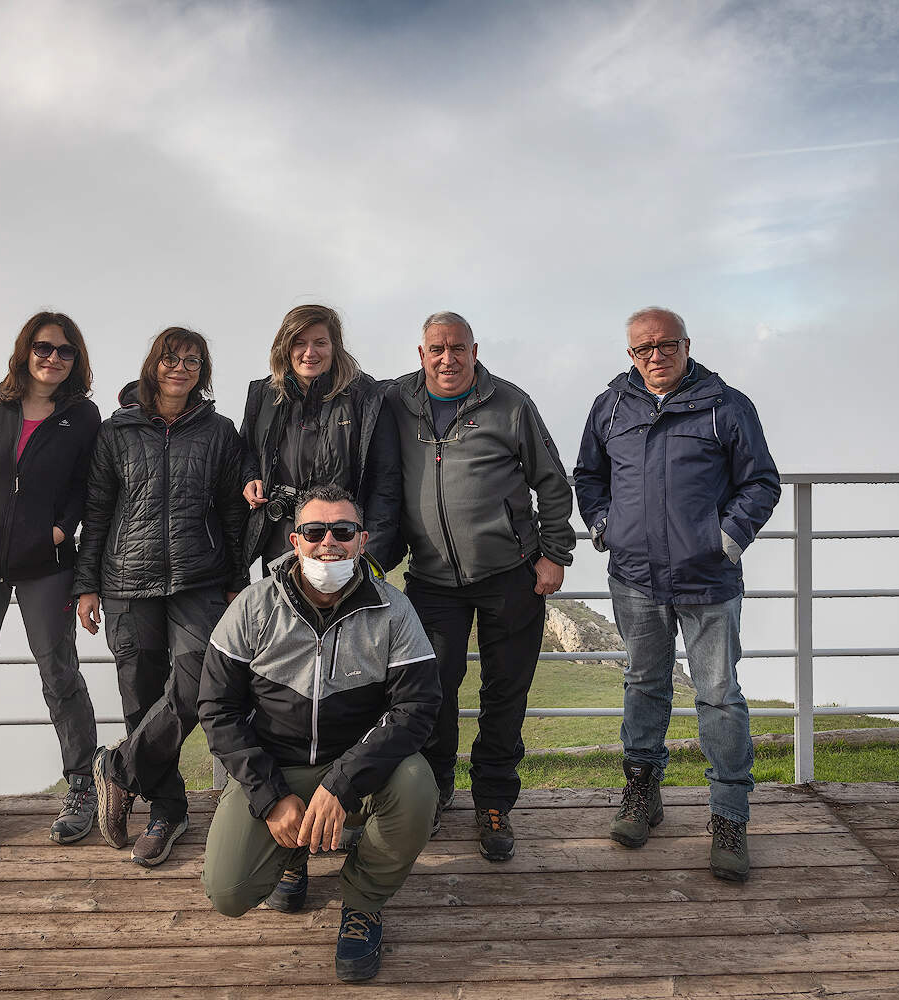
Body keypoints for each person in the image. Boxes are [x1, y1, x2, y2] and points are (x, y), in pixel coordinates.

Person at [199, 485, 440, 984]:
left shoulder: (393, 610)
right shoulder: (253, 606)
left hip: (355, 768)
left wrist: (342, 783)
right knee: (228, 892)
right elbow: (217, 708)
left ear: (363, 540)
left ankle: (363, 901)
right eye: (314, 531)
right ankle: (292, 854)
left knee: (418, 784)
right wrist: (269, 798)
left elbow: (417, 708)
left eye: (343, 530)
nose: (328, 541)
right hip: (275, 767)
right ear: (294, 539)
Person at [572, 306, 780, 882]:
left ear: (687, 345)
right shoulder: (611, 405)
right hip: (635, 576)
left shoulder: (726, 405)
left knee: (718, 695)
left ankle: (729, 817)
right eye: (643, 349)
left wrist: (728, 538)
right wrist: (603, 527)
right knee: (643, 684)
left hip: (708, 580)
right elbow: (588, 475)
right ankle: (643, 795)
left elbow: (761, 480)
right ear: (630, 354)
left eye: (666, 345)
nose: (655, 356)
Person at [387, 311, 576, 861]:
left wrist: (554, 554)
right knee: (431, 693)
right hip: (430, 581)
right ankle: (438, 788)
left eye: (458, 349)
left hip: (510, 575)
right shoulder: (397, 402)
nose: (448, 359)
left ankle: (493, 802)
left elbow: (552, 482)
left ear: (475, 350)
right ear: (420, 354)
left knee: (505, 695)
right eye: (436, 349)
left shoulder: (511, 403)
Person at [73, 326, 248, 867]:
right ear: (153, 364)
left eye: (193, 360)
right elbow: (97, 512)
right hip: (126, 578)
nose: (181, 367)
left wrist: (238, 575)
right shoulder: (116, 431)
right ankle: (168, 813)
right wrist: (86, 584)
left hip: (200, 577)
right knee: (141, 696)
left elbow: (234, 509)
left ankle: (120, 769)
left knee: (199, 680)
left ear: (204, 372)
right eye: (171, 358)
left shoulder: (219, 431)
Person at [0, 310, 102, 852]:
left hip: (45, 566)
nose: (53, 358)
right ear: (24, 351)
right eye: (43, 347)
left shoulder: (82, 417)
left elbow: (86, 484)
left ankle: (82, 787)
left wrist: (59, 530)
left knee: (60, 673)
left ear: (76, 360)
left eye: (65, 351)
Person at [240, 304, 402, 573]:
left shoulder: (368, 398)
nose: (309, 353)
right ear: (285, 347)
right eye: (299, 343)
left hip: (343, 543)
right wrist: (250, 476)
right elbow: (246, 451)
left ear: (335, 346)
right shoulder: (263, 396)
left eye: (320, 343)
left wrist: (371, 557)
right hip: (281, 542)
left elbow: (386, 485)